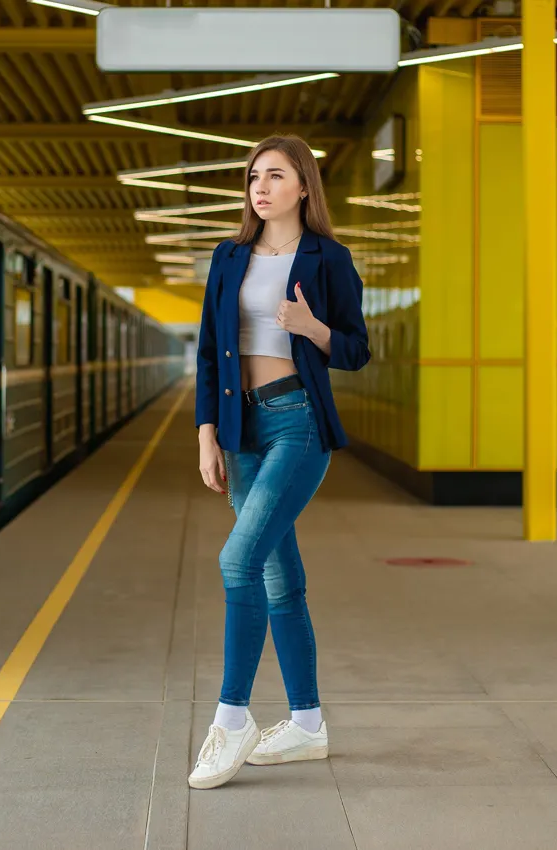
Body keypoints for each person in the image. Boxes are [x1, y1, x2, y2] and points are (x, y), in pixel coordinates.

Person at [188, 135, 371, 790]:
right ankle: (307, 725)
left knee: (237, 560)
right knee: (276, 579)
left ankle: (232, 719)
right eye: (251, 178)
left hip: (298, 424)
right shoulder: (229, 256)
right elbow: (210, 350)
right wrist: (207, 432)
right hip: (241, 428)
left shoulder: (329, 259)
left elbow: (356, 349)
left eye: (274, 175)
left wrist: (311, 327)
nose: (258, 188)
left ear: (303, 187)